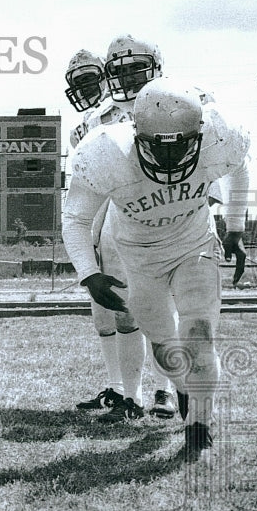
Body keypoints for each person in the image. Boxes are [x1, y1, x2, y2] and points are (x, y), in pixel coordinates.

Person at [62, 77, 251, 464]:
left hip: (193, 244)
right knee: (166, 348)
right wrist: (88, 272)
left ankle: (200, 424)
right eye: (157, 148)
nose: (169, 158)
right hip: (138, 257)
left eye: (181, 145)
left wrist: (235, 226)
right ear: (137, 135)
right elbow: (75, 217)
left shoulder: (221, 136)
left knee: (199, 332)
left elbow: (240, 168)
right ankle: (184, 388)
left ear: (199, 134)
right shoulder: (106, 151)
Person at [69, 35, 180, 423]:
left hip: (157, 219)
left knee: (159, 308)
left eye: (90, 80)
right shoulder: (91, 122)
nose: (86, 90)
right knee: (115, 312)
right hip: (109, 223)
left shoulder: (163, 102)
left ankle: (164, 391)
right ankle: (122, 391)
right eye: (78, 83)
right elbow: (84, 188)